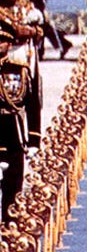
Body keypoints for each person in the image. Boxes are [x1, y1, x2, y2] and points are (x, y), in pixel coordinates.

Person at [0, 19, 40, 222]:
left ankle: (10, 231)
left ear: (10, 44)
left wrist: (34, 140)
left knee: (13, 188)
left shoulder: (19, 70)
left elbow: (32, 105)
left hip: (13, 135)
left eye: (2, 42)